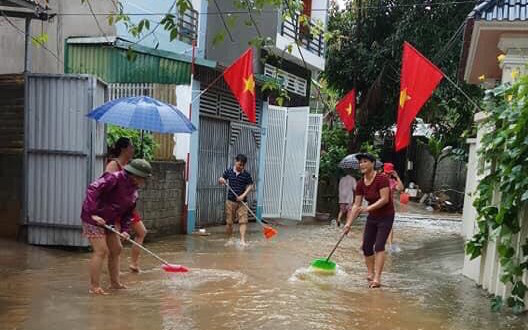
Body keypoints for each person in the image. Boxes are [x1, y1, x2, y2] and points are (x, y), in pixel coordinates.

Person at [81, 159, 152, 295]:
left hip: (109, 220)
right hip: (93, 217)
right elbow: (92, 189)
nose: (144, 182)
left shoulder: (133, 192)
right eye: (144, 178)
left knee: (116, 249)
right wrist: (93, 214)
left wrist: (125, 230)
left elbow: (127, 214)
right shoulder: (113, 178)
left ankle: (115, 283)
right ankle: (94, 287)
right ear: (135, 176)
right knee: (101, 251)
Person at [343, 153, 395, 289]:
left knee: (378, 246)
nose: (362, 165)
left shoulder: (382, 179)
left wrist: (367, 208)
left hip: (386, 216)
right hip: (373, 216)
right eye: (360, 162)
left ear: (373, 164)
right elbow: (356, 204)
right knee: (366, 246)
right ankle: (370, 273)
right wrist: (348, 224)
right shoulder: (360, 183)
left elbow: (385, 199)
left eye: (365, 161)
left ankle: (377, 277)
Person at [105, 137, 147, 273]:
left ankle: (134, 263)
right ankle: (112, 272)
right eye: (131, 147)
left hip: (127, 207)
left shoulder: (131, 165)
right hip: (116, 208)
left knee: (141, 232)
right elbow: (106, 187)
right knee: (116, 245)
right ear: (124, 149)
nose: (133, 150)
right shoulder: (113, 165)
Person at [218, 154, 253, 246]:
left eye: (242, 165)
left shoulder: (246, 174)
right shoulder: (229, 171)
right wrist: (221, 180)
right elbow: (222, 179)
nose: (241, 167)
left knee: (243, 221)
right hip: (231, 201)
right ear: (235, 161)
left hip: (242, 202)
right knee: (229, 222)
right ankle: (229, 239)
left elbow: (250, 186)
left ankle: (242, 240)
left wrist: (243, 195)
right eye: (239, 164)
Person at [383, 162, 404, 251]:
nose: (387, 174)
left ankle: (390, 245)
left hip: (389, 207)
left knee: (389, 226)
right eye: (386, 172)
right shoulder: (378, 178)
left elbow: (401, 188)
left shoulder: (392, 181)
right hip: (378, 206)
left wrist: (397, 177)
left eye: (389, 173)